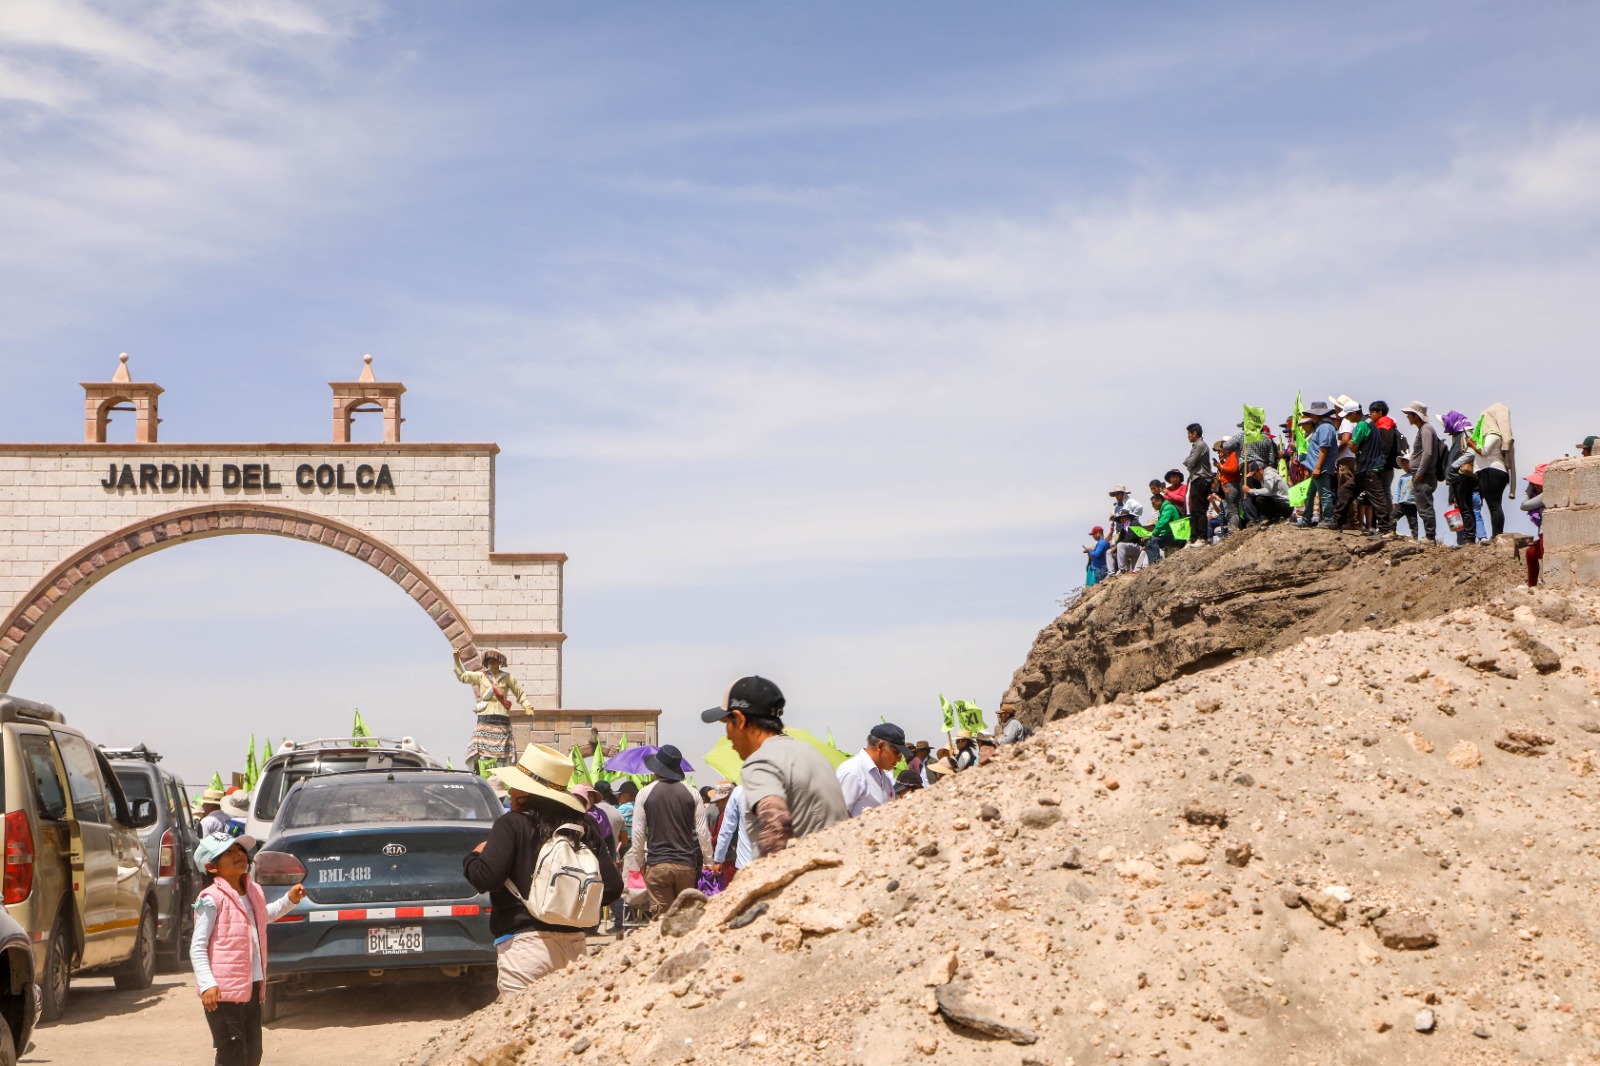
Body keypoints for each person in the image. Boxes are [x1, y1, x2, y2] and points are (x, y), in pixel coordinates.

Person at [464, 743, 622, 993]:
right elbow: (613, 888)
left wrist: (474, 856)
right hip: (575, 948)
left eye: (515, 785)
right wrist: (569, 906)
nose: (511, 790)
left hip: (524, 949)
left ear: (525, 792)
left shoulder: (511, 824)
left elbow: (487, 877)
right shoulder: (584, 828)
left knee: (523, 1026)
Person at [191, 832, 305, 1066]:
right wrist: (207, 984)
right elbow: (198, 946)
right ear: (212, 867)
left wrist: (289, 900)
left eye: (240, 851)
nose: (239, 855)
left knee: (253, 1054)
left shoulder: (253, 892)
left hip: (252, 987)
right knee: (232, 1052)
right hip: (222, 993)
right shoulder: (211, 899)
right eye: (229, 853)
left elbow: (265, 916)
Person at [700, 676, 847, 857]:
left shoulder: (761, 762)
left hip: (801, 878)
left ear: (739, 720)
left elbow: (774, 826)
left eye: (727, 724)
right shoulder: (812, 753)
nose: (728, 737)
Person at [624, 746, 711, 917]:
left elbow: (638, 834)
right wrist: (709, 861)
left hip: (658, 865)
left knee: (662, 923)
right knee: (685, 919)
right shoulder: (692, 793)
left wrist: (641, 862)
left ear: (656, 769)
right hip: (687, 866)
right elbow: (702, 832)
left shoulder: (644, 793)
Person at [453, 648, 535, 772]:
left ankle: (502, 774)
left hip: (501, 718)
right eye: (490, 661)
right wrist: (456, 659)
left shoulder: (507, 678)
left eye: (495, 661)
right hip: (485, 717)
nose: (492, 663)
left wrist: (527, 706)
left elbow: (520, 693)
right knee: (479, 749)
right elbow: (463, 676)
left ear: (499, 661)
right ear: (487, 662)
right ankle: (481, 772)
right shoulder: (481, 676)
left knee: (503, 753)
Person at [836, 723, 911, 817]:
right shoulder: (853, 772)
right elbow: (837, 818)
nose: (899, 759)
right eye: (897, 753)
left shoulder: (886, 776)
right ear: (881, 746)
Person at [1471, 403, 1514, 538]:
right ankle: (1496, 534)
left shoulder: (1493, 434)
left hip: (1493, 471)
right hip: (1489, 471)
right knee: (1493, 505)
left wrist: (1471, 444)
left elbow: (1484, 451)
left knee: (1494, 505)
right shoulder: (1492, 434)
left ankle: (1497, 534)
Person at [1404, 402, 1443, 541]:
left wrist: (1420, 472)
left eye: (1409, 414)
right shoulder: (1424, 429)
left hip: (1424, 475)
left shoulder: (1426, 429)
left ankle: (1430, 537)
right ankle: (1429, 535)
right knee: (1423, 505)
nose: (1407, 417)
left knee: (1425, 505)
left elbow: (1427, 453)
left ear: (1416, 415)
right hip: (1422, 474)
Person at [1296, 401, 1338, 529]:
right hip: (1314, 467)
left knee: (1324, 493)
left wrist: (1318, 467)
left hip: (1321, 468)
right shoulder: (1320, 426)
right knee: (1309, 494)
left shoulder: (1325, 427)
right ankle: (1306, 519)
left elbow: (1324, 449)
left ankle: (1328, 519)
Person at [1442, 410, 1479, 546]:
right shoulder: (1459, 435)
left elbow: (1470, 453)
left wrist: (1454, 466)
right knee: (1464, 508)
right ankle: (1468, 537)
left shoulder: (1465, 434)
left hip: (1462, 476)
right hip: (1457, 477)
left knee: (1466, 507)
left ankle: (1469, 537)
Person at [711, 784, 752, 882]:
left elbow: (725, 833)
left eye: (718, 801)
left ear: (726, 799)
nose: (716, 805)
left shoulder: (739, 793)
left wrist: (718, 859)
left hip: (735, 861)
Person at [1183, 423, 1213, 538]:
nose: (1188, 436)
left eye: (1189, 433)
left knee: (1199, 510)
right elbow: (1188, 461)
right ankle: (1195, 537)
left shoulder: (1200, 445)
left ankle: (1202, 537)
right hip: (1196, 479)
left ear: (1195, 433)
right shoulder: (1196, 446)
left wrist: (1190, 463)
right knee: (1194, 510)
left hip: (1201, 479)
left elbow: (1189, 462)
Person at [1242, 460, 1293, 524]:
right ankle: (1273, 518)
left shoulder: (1269, 475)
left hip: (1285, 504)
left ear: (1260, 470)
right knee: (1254, 499)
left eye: (1254, 474)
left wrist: (1250, 490)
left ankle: (1276, 517)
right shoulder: (1263, 477)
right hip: (1279, 502)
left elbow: (1267, 491)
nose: (1254, 477)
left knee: (1260, 499)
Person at [1394, 455, 1417, 538]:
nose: (1405, 465)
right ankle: (1392, 532)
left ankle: (1415, 537)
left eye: (1407, 463)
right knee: (1392, 516)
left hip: (1412, 503)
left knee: (1413, 522)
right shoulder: (1402, 478)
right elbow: (1398, 491)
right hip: (1402, 503)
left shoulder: (1416, 476)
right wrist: (1395, 501)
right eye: (1404, 464)